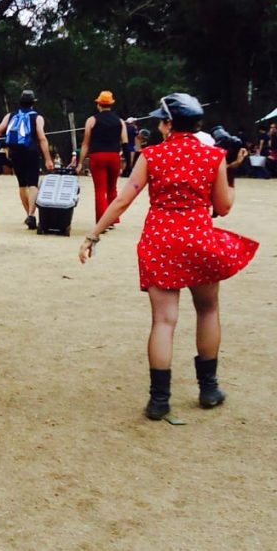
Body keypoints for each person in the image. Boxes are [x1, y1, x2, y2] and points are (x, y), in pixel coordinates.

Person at [78, 93, 258, 421]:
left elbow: (122, 200)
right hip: (199, 239)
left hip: (160, 241)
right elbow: (223, 207)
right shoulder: (213, 156)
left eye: (161, 120)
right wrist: (230, 173)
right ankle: (209, 388)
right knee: (208, 309)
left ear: (169, 123)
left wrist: (93, 235)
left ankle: (159, 400)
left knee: (163, 321)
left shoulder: (152, 155)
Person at [0, 89, 53, 229]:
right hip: (31, 152)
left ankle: (27, 214)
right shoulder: (37, 117)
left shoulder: (10, 115)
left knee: (22, 185)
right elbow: (42, 138)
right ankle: (31, 215)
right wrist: (48, 158)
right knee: (33, 184)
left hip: (15, 152)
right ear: (33, 103)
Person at [78, 91, 128, 224]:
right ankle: (113, 219)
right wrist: (128, 161)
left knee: (100, 190)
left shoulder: (92, 120)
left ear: (99, 104)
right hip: (114, 156)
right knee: (112, 188)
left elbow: (85, 144)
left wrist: (80, 163)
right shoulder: (120, 121)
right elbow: (125, 141)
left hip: (98, 156)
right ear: (111, 104)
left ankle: (102, 221)